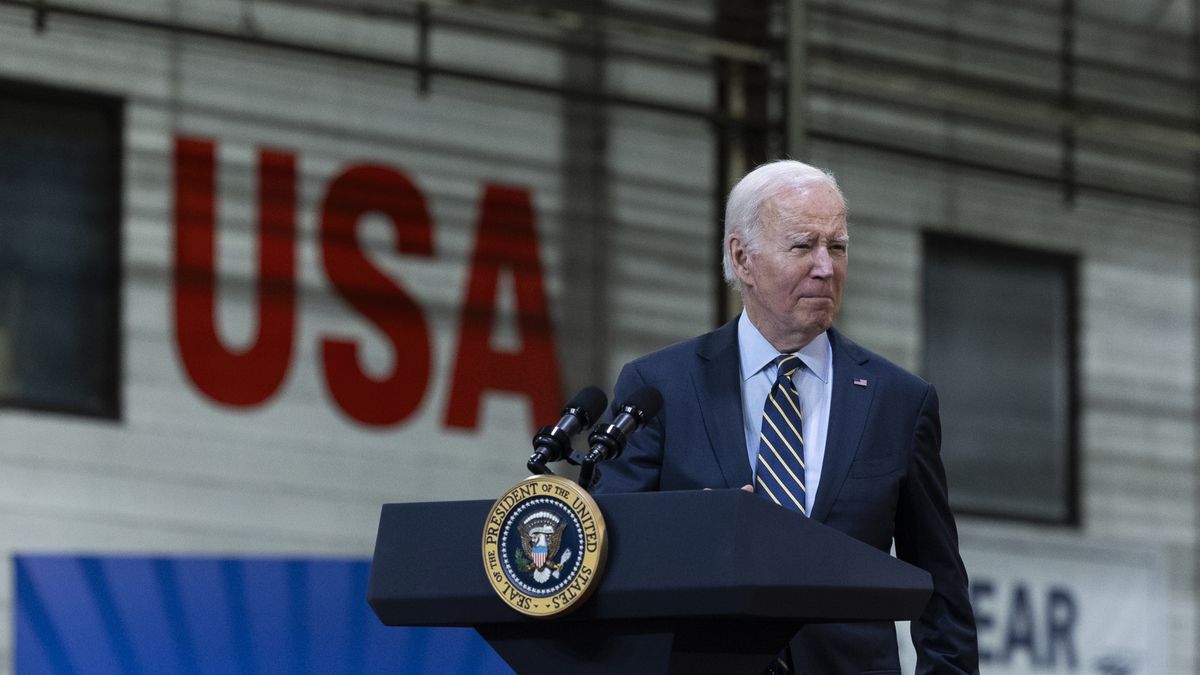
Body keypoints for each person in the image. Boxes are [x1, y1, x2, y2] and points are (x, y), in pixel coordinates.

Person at [592, 160, 979, 674]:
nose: (826, 267)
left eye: (837, 247)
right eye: (803, 246)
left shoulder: (898, 401)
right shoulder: (660, 386)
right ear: (742, 258)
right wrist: (686, 532)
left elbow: (941, 586)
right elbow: (604, 552)